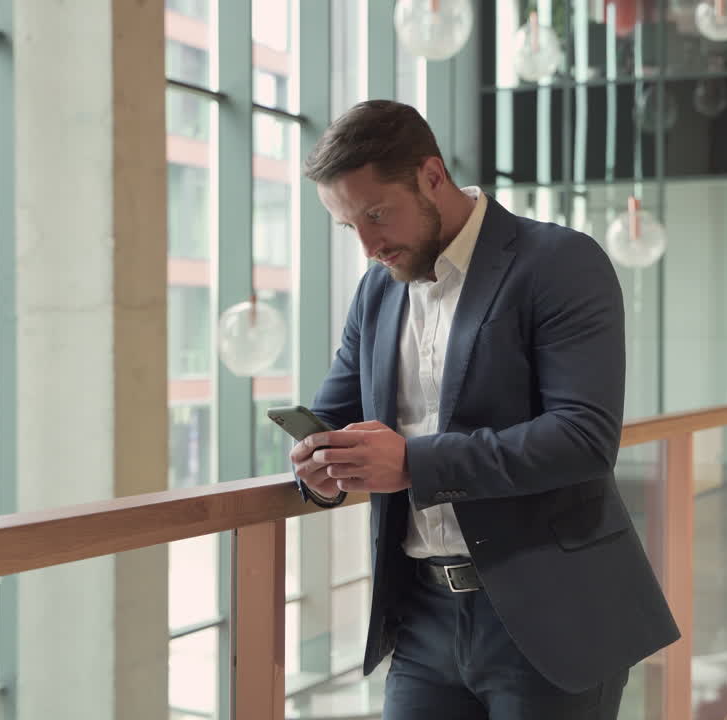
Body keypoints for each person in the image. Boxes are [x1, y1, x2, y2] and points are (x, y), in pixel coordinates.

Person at [289, 99, 679, 720]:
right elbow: (333, 414)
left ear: (432, 176)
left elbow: (583, 436)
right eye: (349, 227)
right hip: (420, 620)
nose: (367, 246)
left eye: (376, 214)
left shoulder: (558, 263)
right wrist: (318, 467)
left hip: (551, 618)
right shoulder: (377, 292)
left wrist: (415, 463)